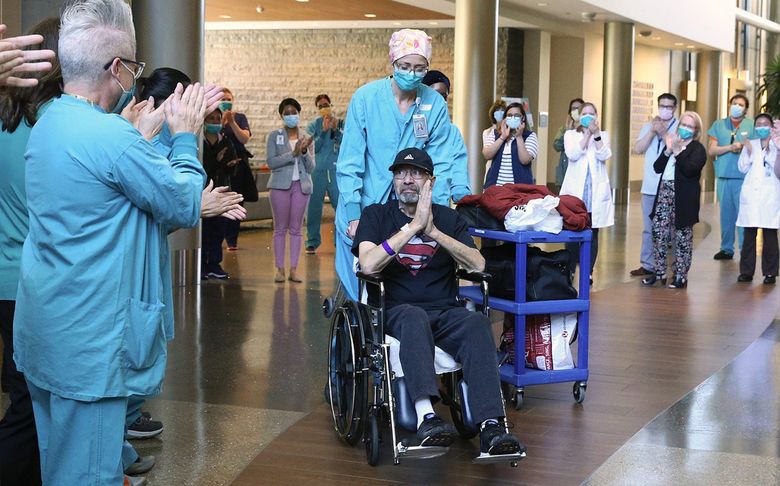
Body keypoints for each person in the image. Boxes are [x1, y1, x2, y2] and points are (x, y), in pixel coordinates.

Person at [13, 1, 208, 484]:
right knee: (89, 477)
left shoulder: (50, 121)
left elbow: (102, 204)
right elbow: (184, 201)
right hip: (91, 348)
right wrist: (185, 136)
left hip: (47, 332)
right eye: (134, 68)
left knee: (58, 467)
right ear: (117, 68)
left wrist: (134, 139)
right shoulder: (111, 139)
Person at [353, 147, 525, 457]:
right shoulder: (376, 215)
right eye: (400, 173)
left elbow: (478, 264)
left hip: (445, 310)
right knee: (413, 317)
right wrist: (413, 228)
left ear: (430, 182)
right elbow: (368, 264)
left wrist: (432, 230)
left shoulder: (449, 218)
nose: (407, 180)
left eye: (416, 173)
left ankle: (492, 427)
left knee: (476, 322)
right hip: (396, 310)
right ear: (393, 180)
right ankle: (426, 418)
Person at [336, 28, 470, 300]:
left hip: (407, 207)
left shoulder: (434, 103)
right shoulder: (366, 98)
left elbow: (440, 165)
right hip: (364, 204)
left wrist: (438, 213)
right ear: (393, 62)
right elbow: (350, 161)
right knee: (361, 289)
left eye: (420, 68)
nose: (411, 73)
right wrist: (353, 213)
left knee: (402, 287)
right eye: (405, 66)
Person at [0, 18, 59, 486]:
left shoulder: (5, 120)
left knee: (22, 396)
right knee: (30, 406)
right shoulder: (52, 131)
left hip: (4, 280)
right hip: (32, 283)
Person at [642, 111, 707, 289]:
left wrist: (678, 152)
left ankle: (680, 275)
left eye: (689, 126)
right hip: (664, 192)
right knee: (658, 232)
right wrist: (668, 150)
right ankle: (659, 271)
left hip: (684, 198)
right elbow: (657, 168)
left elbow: (690, 170)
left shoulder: (697, 149)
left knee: (682, 236)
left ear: (696, 130)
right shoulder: (671, 144)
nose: (685, 129)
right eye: (683, 125)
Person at [560, 102, 614, 278]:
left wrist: (596, 135)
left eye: (592, 113)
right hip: (576, 191)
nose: (588, 116)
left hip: (595, 192)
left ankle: (588, 272)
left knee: (593, 232)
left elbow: (604, 155)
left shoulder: (603, 135)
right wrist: (586, 135)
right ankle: (570, 270)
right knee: (572, 230)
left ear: (597, 116)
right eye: (585, 113)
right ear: (579, 116)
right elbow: (573, 154)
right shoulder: (570, 135)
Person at [630, 93, 680, 277]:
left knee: (673, 229)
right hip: (650, 186)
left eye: (668, 106)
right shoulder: (648, 127)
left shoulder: (680, 126)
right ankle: (648, 264)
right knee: (648, 228)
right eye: (662, 106)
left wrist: (663, 132)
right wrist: (652, 131)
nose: (665, 109)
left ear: (674, 108)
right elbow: (638, 148)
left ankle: (676, 266)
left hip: (672, 185)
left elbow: (677, 148)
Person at [267, 97, 315, 283]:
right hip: (280, 186)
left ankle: (294, 270)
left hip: (301, 186)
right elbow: (271, 162)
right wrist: (291, 154)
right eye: (286, 113)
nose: (290, 116)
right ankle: (279, 269)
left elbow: (311, 168)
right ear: (281, 116)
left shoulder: (307, 137)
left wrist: (303, 153)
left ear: (299, 113)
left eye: (293, 112)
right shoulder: (274, 136)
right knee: (280, 229)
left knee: (296, 229)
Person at [708, 93, 755, 260]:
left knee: (743, 215)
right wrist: (730, 147)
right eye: (734, 103)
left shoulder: (752, 126)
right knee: (726, 214)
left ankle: (745, 249)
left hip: (744, 177)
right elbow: (712, 150)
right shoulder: (719, 125)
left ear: (746, 109)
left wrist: (744, 147)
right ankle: (726, 248)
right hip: (724, 176)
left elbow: (757, 150)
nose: (737, 106)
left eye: (741, 104)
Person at [736, 113, 780, 284]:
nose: (762, 126)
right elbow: (742, 168)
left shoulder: (777, 145)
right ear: (755, 127)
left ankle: (770, 273)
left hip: (770, 197)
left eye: (765, 123)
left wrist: (770, 151)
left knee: (770, 236)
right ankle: (746, 272)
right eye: (759, 123)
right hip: (751, 197)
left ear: (771, 127)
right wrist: (747, 152)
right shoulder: (751, 144)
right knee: (749, 236)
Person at [201, 107, 239, 280]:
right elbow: (202, 167)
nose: (215, 121)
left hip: (222, 190)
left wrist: (229, 164)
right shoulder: (198, 143)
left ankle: (214, 264)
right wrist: (216, 160)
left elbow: (232, 166)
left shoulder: (226, 142)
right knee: (203, 230)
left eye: (218, 118)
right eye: (211, 118)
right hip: (203, 192)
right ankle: (201, 265)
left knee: (218, 229)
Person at [305, 93, 342, 255]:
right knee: (313, 207)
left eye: (326, 104)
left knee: (340, 206)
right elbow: (313, 148)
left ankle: (340, 241)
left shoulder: (340, 123)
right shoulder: (313, 126)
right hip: (317, 171)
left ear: (330, 105)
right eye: (320, 106)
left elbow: (347, 143)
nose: (324, 108)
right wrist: (323, 131)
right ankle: (312, 241)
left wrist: (335, 130)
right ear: (317, 108)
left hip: (335, 171)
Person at [219, 88, 252, 251]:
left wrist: (232, 122)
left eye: (229, 99)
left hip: (238, 167)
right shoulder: (214, 117)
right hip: (219, 167)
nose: (226, 101)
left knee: (237, 201)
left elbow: (244, 138)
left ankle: (232, 240)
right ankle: (217, 239)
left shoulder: (240, 118)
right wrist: (221, 123)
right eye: (223, 99)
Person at [482, 101, 539, 188]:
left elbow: (525, 160)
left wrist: (519, 136)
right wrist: (503, 137)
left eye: (517, 115)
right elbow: (486, 154)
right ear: (505, 118)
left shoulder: (530, 136)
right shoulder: (494, 134)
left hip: (519, 191)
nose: (513, 118)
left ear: (523, 118)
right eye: (509, 115)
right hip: (495, 189)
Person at [552, 98, 584, 188]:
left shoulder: (587, 129)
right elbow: (557, 146)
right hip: (564, 174)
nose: (576, 111)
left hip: (580, 174)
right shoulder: (564, 129)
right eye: (573, 108)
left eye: (579, 108)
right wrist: (567, 131)